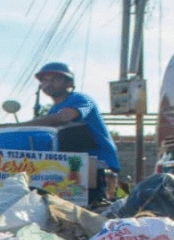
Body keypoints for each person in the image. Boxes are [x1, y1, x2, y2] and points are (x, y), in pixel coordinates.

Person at [12, 62, 120, 204]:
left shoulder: (81, 99)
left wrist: (19, 126)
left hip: (96, 161)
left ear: (69, 83)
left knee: (90, 207)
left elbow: (64, 117)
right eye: (45, 80)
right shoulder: (52, 110)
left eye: (55, 79)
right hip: (70, 165)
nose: (49, 83)